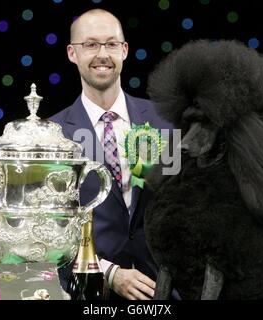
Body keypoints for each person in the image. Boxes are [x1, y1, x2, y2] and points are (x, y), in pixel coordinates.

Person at [49, 9, 173, 300]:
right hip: (88, 292)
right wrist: (109, 272)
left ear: (125, 50)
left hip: (161, 290)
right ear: (72, 53)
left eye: (111, 44)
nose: (102, 54)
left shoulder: (164, 121)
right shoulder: (52, 135)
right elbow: (50, 232)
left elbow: (180, 206)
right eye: (90, 44)